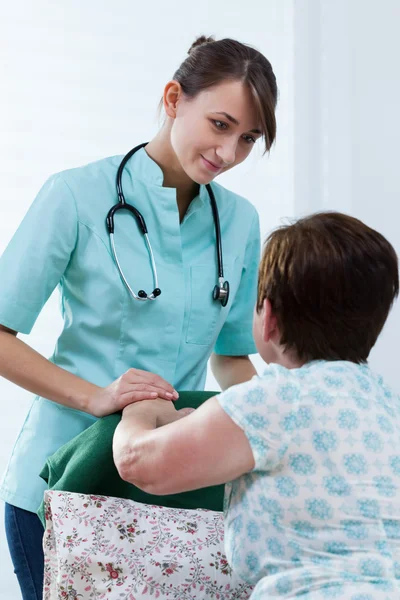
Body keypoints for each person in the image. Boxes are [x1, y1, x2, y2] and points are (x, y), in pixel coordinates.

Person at [0, 35, 278, 599]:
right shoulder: (76, 195)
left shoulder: (240, 221)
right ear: (174, 98)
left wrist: (280, 417)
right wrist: (94, 397)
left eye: (247, 138)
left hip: (176, 486)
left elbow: (229, 356)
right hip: (63, 482)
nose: (229, 154)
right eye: (220, 125)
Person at [113, 212, 400, 599]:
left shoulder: (274, 400)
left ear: (269, 319)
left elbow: (137, 462)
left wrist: (141, 408)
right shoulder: (386, 405)